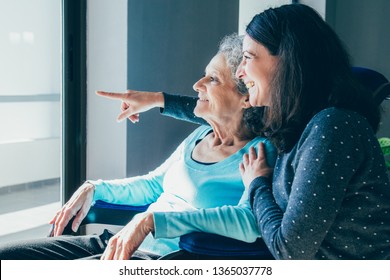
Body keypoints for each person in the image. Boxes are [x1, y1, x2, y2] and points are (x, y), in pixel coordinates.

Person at [110, 4, 390, 260]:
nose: (241, 73)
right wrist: (158, 100)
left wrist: (256, 184)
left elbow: (290, 250)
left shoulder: (332, 127)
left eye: (247, 58)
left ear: (287, 61)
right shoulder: (295, 123)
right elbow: (227, 110)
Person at [0, 34, 276, 260]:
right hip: (120, 243)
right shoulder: (199, 137)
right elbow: (153, 185)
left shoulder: (259, 153)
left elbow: (248, 221)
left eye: (213, 79)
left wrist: (154, 221)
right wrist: (94, 187)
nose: (197, 85)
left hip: (160, 259)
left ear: (246, 97)